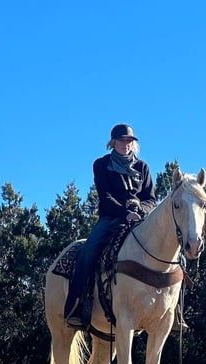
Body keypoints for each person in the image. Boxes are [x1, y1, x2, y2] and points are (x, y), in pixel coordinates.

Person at [64, 123, 157, 329]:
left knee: (168, 250)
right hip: (111, 217)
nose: (126, 144)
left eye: (129, 141)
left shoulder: (143, 167)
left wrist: (140, 210)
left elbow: (151, 199)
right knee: (88, 251)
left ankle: (172, 312)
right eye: (122, 140)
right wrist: (125, 212)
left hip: (140, 218)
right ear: (113, 142)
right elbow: (105, 197)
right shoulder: (102, 164)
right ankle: (77, 305)